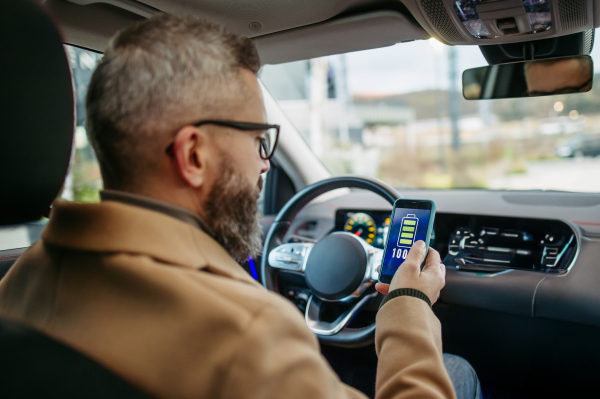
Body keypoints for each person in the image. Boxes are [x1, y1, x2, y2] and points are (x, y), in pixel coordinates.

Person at [0, 13, 481, 399]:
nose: (265, 166)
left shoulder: (21, 281)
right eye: (259, 141)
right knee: (454, 371)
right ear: (193, 155)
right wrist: (408, 306)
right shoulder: (245, 334)